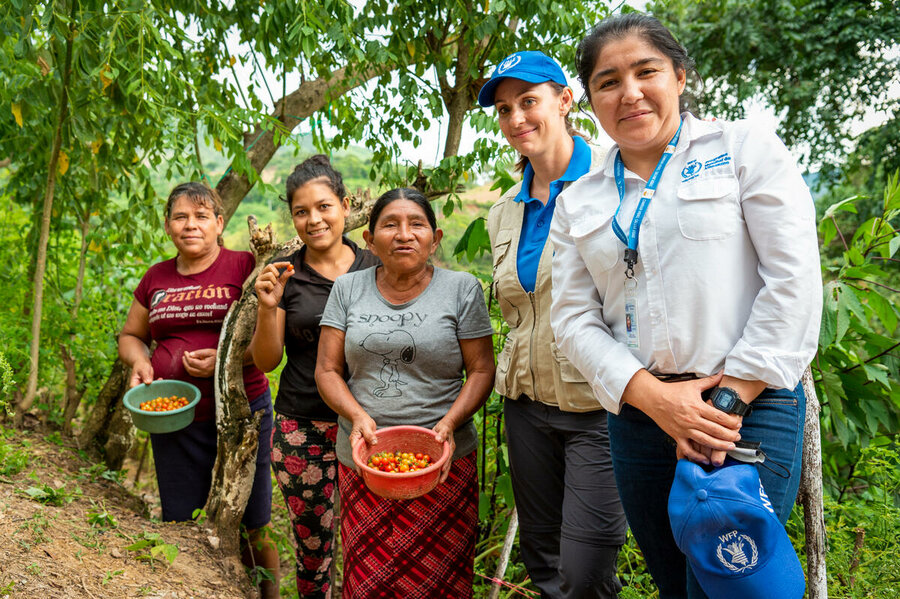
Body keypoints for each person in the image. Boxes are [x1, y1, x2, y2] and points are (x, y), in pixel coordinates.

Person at [549, 13, 822, 599]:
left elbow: (793, 280)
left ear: (678, 75)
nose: (630, 92)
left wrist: (720, 407)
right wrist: (657, 400)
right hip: (641, 416)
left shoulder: (743, 150)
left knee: (732, 586)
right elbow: (571, 319)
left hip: (750, 405)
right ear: (589, 99)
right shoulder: (578, 199)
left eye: (646, 71)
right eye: (608, 81)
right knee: (675, 584)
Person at [476, 50, 626, 598]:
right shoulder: (504, 212)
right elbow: (519, 313)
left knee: (586, 571)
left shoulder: (616, 185)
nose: (517, 119)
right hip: (526, 407)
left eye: (530, 101)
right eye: (505, 109)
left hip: (600, 409)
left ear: (565, 101)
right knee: (545, 563)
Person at [315, 188, 495, 598]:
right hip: (366, 462)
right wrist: (358, 418)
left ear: (436, 237)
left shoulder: (461, 289)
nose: (404, 234)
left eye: (416, 224)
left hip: (443, 462)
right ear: (369, 239)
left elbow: (482, 369)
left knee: (440, 580)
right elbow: (327, 370)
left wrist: (448, 424)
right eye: (390, 225)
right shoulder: (347, 289)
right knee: (370, 578)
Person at [118, 182, 280, 598]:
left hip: (242, 416)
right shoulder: (156, 277)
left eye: (202, 215)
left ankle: (267, 595)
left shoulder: (245, 265)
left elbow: (269, 338)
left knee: (254, 521)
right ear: (169, 227)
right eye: (181, 217)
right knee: (181, 520)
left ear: (220, 223)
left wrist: (227, 358)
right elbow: (132, 335)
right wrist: (139, 360)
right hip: (172, 418)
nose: (191, 225)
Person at [249, 155, 379, 598]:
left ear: (345, 206)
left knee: (371, 543)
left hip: (372, 424)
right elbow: (266, 361)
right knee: (313, 550)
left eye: (324, 206)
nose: (314, 219)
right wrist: (269, 306)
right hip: (302, 428)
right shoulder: (287, 274)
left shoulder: (374, 267)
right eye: (301, 212)